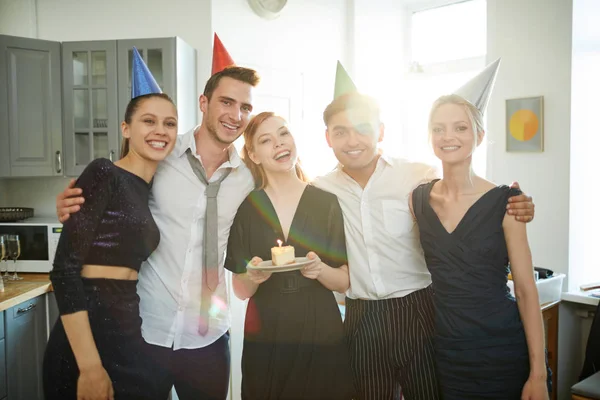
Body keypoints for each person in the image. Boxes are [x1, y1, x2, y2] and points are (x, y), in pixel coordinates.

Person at [311, 61, 537, 400]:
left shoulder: (415, 175)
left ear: (381, 131)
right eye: (340, 131)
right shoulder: (320, 188)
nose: (352, 140)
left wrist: (522, 203)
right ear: (328, 138)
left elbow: (467, 197)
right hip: (362, 315)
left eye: (362, 128)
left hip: (419, 309)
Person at [54, 34, 260, 400]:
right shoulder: (162, 154)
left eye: (245, 106)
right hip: (145, 329)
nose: (235, 114)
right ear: (204, 102)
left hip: (208, 334)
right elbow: (116, 191)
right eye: (226, 101)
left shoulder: (248, 178)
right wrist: (75, 205)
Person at [409, 59, 551, 399]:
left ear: (479, 135)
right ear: (429, 136)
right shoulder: (418, 199)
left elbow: (526, 291)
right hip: (447, 354)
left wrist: (538, 375)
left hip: (501, 349)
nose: (448, 137)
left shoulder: (507, 201)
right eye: (438, 128)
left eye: (460, 127)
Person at [43, 48, 178, 400]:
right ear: (126, 128)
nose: (160, 130)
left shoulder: (151, 189)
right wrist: (89, 367)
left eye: (169, 123)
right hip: (89, 332)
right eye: (148, 120)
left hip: (130, 328)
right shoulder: (104, 172)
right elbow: (65, 269)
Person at [224, 112, 356, 400]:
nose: (279, 144)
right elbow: (240, 289)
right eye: (266, 140)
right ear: (253, 155)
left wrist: (320, 270)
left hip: (319, 323)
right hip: (267, 326)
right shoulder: (247, 208)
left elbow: (344, 281)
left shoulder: (326, 201)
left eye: (283, 134)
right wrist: (254, 276)